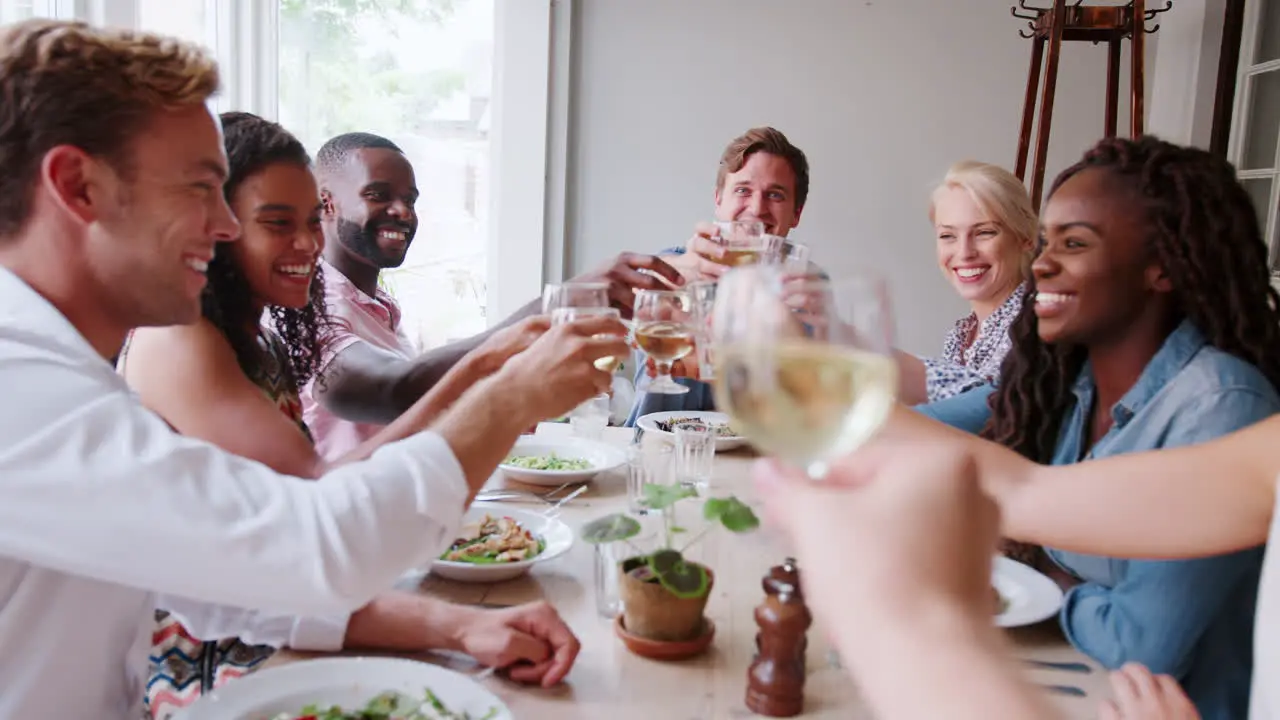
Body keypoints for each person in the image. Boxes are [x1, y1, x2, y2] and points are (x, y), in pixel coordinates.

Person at [0, 20, 624, 717]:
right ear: (77, 187)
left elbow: (229, 576)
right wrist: (508, 396)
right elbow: (314, 541)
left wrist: (458, 625)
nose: (225, 225)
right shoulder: (19, 390)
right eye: (200, 189)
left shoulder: (66, 374)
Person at [120, 112, 579, 718]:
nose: (309, 244)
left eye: (313, 221)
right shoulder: (179, 342)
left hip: (290, 620)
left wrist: (460, 626)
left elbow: (287, 553)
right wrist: (491, 377)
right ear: (218, 226)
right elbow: (315, 506)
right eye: (277, 223)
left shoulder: (258, 338)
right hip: (220, 670)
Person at [301, 131, 683, 459]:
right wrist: (555, 306)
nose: (402, 211)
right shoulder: (310, 306)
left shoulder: (378, 306)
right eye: (378, 194)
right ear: (327, 203)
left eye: (411, 199)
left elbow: (414, 409)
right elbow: (394, 390)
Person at [624, 126, 810, 424]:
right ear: (718, 200)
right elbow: (635, 299)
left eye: (775, 195)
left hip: (758, 459)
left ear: (796, 213)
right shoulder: (675, 266)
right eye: (742, 190)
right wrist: (683, 273)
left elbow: (808, 398)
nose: (756, 207)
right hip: (660, 450)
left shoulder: (806, 290)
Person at [895, 161, 1036, 406]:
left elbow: (990, 408)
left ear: (1026, 238)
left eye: (984, 232)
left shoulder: (1036, 322)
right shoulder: (961, 335)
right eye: (948, 236)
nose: (964, 252)